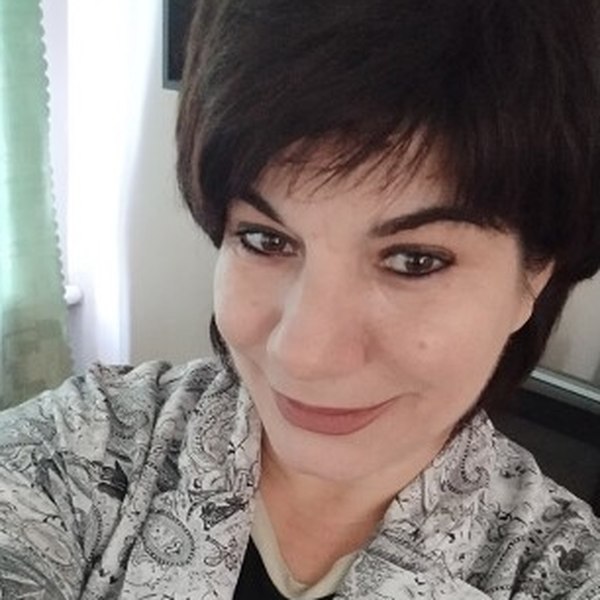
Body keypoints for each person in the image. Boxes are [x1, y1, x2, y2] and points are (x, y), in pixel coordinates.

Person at [1, 0, 600, 597]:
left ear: (535, 275)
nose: (303, 355)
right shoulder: (84, 449)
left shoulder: (561, 570)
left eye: (414, 260)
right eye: (265, 240)